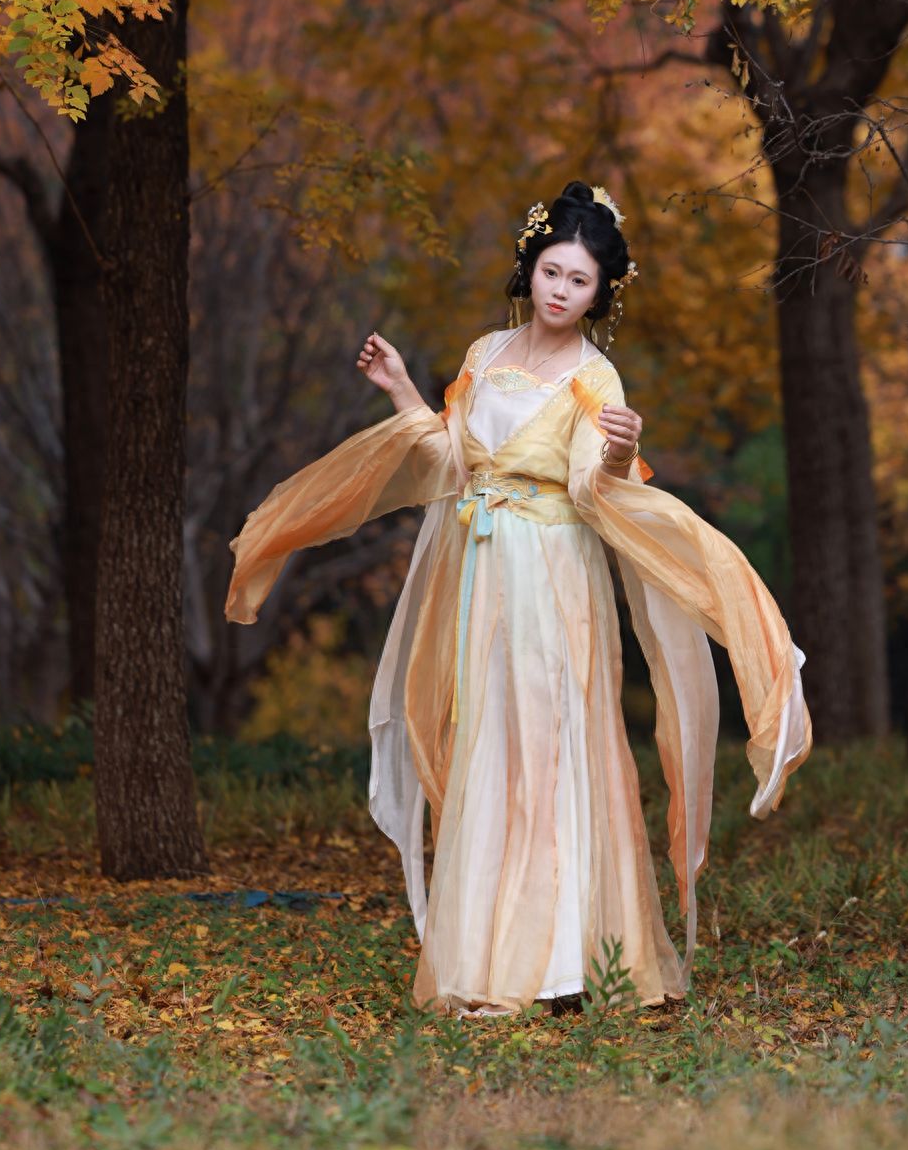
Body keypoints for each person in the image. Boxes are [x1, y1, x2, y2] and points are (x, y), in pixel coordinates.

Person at [225, 180, 811, 1016]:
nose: (561, 290)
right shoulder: (484, 354)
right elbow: (452, 462)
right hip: (484, 572)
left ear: (600, 293)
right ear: (529, 269)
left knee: (556, 740)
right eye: (551, 271)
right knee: (490, 740)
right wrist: (398, 388)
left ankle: (573, 962)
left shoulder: (594, 377)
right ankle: (495, 958)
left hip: (553, 574)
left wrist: (618, 453)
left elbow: (591, 489)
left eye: (579, 280)